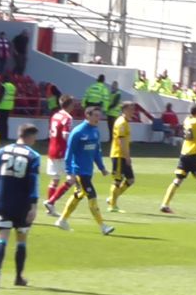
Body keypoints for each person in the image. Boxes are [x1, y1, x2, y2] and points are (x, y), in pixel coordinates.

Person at [0, 123, 41, 288]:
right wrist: (33, 205)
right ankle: (18, 277)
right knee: (21, 239)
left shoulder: (3, 151)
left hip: (3, 200)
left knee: (2, 237)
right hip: (22, 203)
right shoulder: (33, 156)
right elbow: (33, 182)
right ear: (30, 136)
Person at [54, 106, 114, 235]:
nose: (99, 118)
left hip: (88, 171)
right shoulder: (78, 132)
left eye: (99, 115)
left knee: (78, 196)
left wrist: (102, 167)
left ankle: (62, 220)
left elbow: (96, 152)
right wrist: (69, 172)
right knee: (92, 196)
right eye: (96, 115)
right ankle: (103, 226)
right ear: (88, 115)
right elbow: (69, 153)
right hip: (79, 172)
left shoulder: (96, 131)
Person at [160, 105, 196, 213]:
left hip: (184, 154)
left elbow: (195, 114)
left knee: (177, 180)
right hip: (194, 154)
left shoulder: (187, 120)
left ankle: (165, 204)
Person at [43, 95, 75, 216]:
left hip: (52, 149)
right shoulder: (68, 118)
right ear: (70, 105)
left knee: (55, 179)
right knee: (72, 179)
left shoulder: (55, 115)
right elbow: (66, 136)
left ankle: (50, 209)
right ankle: (51, 202)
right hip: (62, 151)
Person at [106, 102, 137, 213]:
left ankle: (111, 199)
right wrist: (127, 156)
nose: (133, 111)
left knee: (130, 180)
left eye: (133, 109)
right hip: (119, 155)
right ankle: (112, 205)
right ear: (124, 110)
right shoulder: (121, 123)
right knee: (117, 180)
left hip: (122, 155)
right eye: (130, 109)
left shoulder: (125, 122)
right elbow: (121, 141)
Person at [0, 76, 15, 148]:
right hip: (9, 106)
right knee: (5, 123)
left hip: (2, 106)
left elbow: (0, 96)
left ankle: (0, 137)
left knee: (0, 123)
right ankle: (5, 136)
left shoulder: (4, 86)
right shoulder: (13, 87)